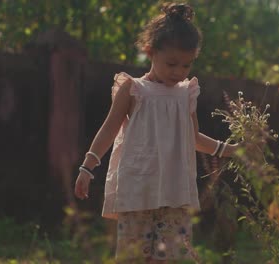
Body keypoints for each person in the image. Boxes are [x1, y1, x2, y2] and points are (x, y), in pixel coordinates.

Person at [74, 2, 237, 262]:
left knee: (171, 257)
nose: (178, 72)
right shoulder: (133, 88)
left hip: (176, 194)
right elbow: (109, 129)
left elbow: (193, 138)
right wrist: (87, 166)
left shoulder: (186, 94)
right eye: (171, 63)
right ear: (150, 52)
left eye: (186, 65)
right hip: (137, 189)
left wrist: (232, 150)